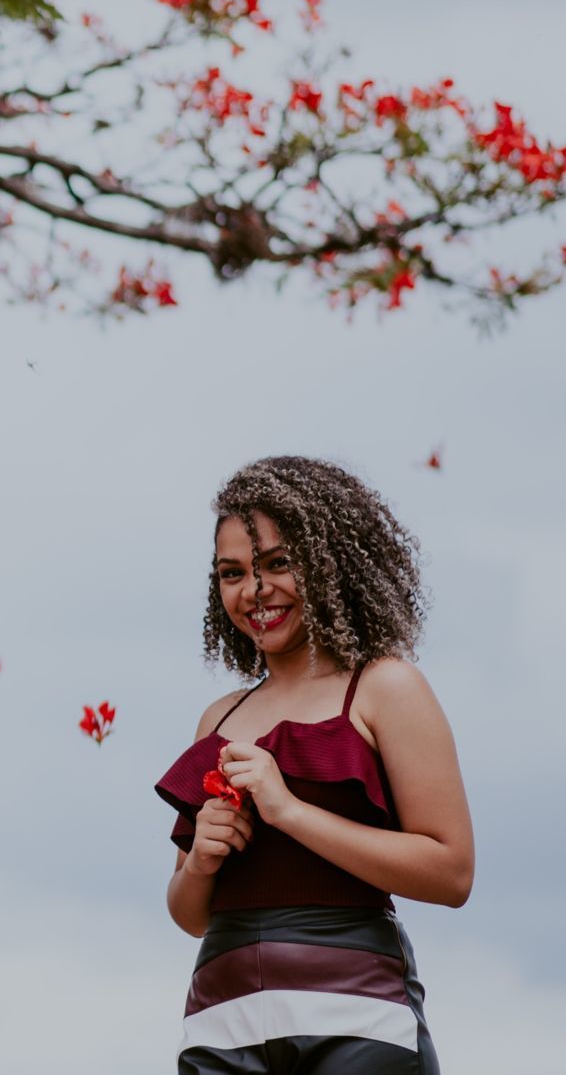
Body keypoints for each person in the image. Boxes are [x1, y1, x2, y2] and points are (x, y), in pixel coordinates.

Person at [154, 456, 474, 1073]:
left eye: (278, 563)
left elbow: (452, 872)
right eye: (232, 573)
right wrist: (199, 861)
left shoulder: (386, 687)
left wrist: (289, 812)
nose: (254, 591)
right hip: (222, 1027)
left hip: (355, 1021)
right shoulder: (218, 719)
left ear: (329, 562)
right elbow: (191, 916)